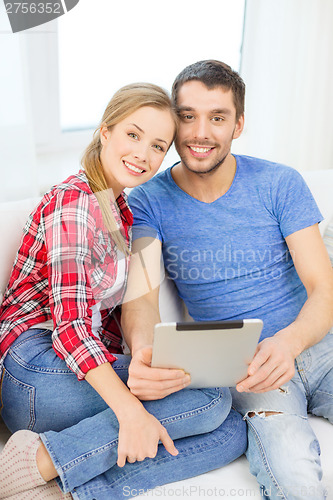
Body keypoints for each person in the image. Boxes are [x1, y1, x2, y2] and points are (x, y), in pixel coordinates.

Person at [0, 82, 247, 500]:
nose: (142, 155)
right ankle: (37, 461)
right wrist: (131, 410)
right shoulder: (74, 203)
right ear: (105, 131)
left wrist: (145, 364)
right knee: (210, 397)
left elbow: (116, 317)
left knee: (231, 431)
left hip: (71, 368)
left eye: (157, 146)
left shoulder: (120, 210)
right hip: (34, 371)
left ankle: (71, 488)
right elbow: (72, 327)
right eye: (133, 135)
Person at [123, 61, 333, 500]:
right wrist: (144, 351)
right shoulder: (147, 200)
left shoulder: (280, 183)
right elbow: (140, 297)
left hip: (317, 348)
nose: (200, 132)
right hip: (248, 370)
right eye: (188, 116)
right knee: (295, 481)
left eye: (217, 117)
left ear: (238, 124)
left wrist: (290, 344)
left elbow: (324, 288)